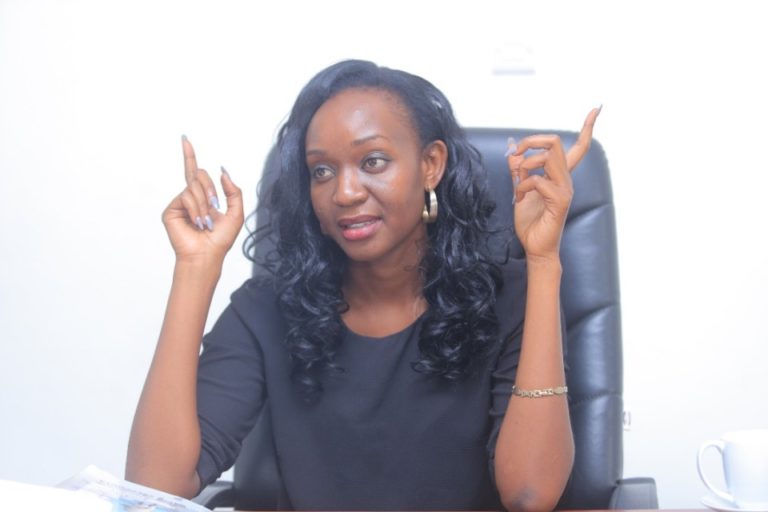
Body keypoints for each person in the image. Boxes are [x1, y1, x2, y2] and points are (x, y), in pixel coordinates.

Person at [125, 59, 600, 511]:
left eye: (372, 161)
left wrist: (543, 261)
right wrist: (195, 268)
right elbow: (155, 485)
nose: (345, 193)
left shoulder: (508, 297)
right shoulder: (268, 309)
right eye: (322, 171)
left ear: (431, 164)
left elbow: (530, 494)